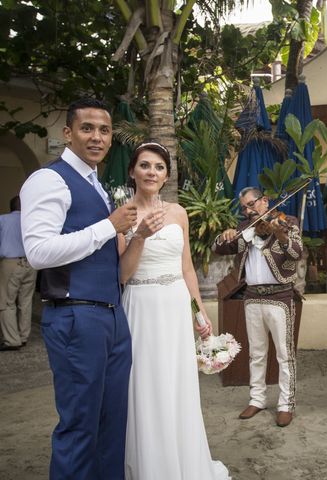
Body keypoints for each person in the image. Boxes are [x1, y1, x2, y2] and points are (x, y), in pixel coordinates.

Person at [20, 98, 137, 479]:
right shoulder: (48, 179)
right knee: (80, 425)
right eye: (87, 128)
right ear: (68, 133)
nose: (97, 137)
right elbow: (38, 252)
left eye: (104, 130)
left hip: (111, 315)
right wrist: (109, 226)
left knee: (111, 422)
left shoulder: (97, 186)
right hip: (75, 315)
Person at [119, 142, 229, 479]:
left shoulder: (179, 213)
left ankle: (183, 463)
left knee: (177, 384)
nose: (152, 172)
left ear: (166, 175)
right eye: (145, 166)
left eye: (159, 167)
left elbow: (187, 270)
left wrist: (199, 312)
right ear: (133, 171)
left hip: (175, 306)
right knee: (145, 385)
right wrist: (139, 235)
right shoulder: (122, 214)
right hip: (140, 306)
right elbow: (121, 275)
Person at [215, 187, 302, 428]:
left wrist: (280, 235)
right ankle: (257, 398)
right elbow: (218, 248)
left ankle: (286, 404)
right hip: (252, 297)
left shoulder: (288, 222)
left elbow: (296, 253)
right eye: (244, 207)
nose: (248, 210)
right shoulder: (245, 229)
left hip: (280, 297)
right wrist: (226, 235)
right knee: (256, 352)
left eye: (252, 205)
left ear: (265, 201)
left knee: (285, 355)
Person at [0, 196, 37, 351]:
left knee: (7, 302)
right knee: (26, 301)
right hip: (31, 263)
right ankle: (23, 336)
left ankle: (11, 340)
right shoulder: (32, 221)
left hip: (11, 262)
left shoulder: (2, 220)